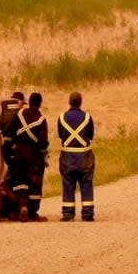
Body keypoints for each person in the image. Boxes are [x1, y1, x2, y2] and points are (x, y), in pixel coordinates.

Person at [4, 92, 49, 221]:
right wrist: (43, 154)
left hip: (18, 154)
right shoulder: (41, 119)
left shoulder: (19, 114)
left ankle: (21, 207)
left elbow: (7, 133)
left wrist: (9, 149)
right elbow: (43, 143)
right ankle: (33, 213)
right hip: (33, 156)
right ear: (40, 103)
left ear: (29, 101)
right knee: (34, 184)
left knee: (19, 182)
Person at [58, 91, 95, 222]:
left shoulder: (62, 117)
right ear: (80, 102)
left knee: (68, 184)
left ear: (69, 102)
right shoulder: (87, 117)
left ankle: (68, 214)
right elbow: (90, 136)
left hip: (67, 157)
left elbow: (61, 135)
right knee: (86, 184)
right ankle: (88, 213)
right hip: (85, 156)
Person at [0, 91, 25, 218]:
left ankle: (9, 209)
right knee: (15, 181)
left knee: (8, 181)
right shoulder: (23, 117)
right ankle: (15, 208)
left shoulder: (4, 116)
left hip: (5, 155)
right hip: (15, 155)